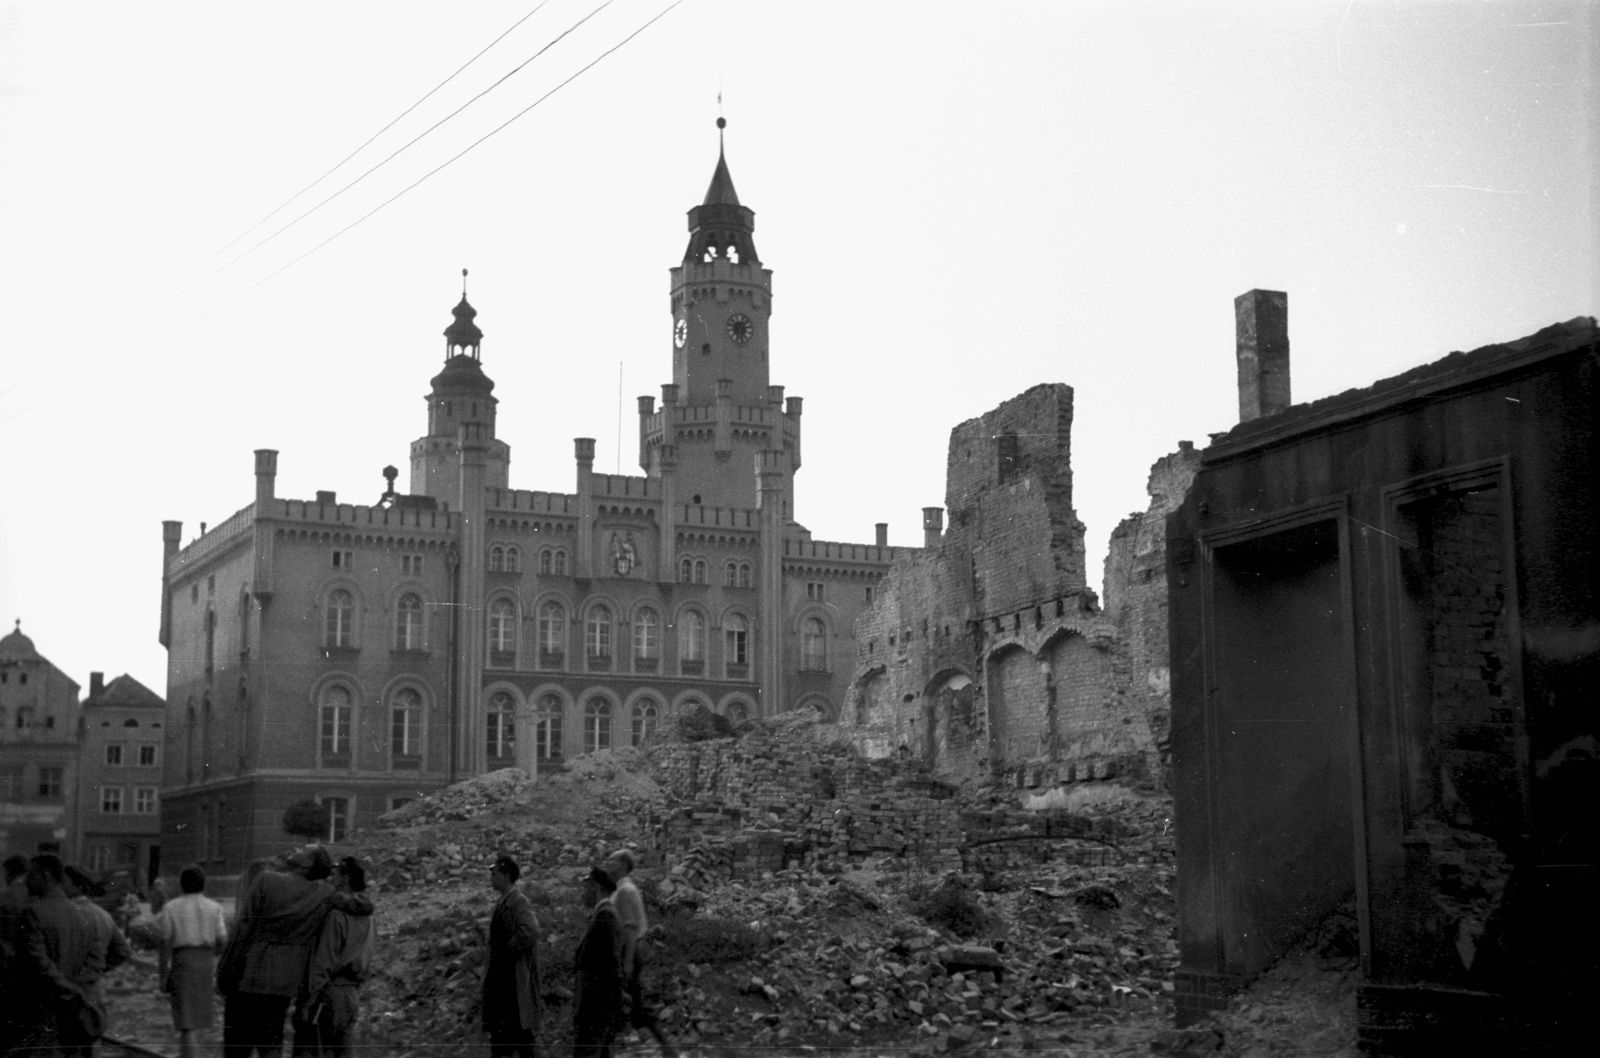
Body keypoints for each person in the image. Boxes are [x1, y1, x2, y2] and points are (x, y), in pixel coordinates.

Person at [217, 845, 373, 1058]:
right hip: (283, 984)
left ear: (307, 863)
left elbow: (242, 930)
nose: (295, 849)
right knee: (271, 1044)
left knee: (237, 1046)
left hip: (248, 976)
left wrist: (224, 973)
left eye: (303, 849)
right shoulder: (323, 893)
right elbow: (361, 905)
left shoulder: (265, 880)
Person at [13, 854, 97, 1057]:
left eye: (31, 875)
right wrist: (78, 989)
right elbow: (96, 961)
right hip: (73, 1013)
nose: (26, 881)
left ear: (46, 875)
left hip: (40, 1011)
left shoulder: (33, 912)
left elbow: (38, 963)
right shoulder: (84, 914)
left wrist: (67, 987)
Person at [295, 857, 374, 1058]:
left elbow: (323, 962)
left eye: (334, 875)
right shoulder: (368, 917)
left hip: (328, 996)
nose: (330, 879)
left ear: (344, 879)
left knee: (317, 1050)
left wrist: (308, 1002)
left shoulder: (335, 916)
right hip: (352, 996)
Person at [603, 849, 676, 1057]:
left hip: (628, 952)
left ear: (623, 865)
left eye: (612, 859)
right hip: (626, 952)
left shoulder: (625, 890)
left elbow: (631, 928)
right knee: (625, 1004)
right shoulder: (620, 888)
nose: (607, 862)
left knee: (631, 1004)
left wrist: (626, 962)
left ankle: (667, 1047)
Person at [154, 864, 229, 1058]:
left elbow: (165, 943)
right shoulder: (214, 907)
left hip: (183, 961)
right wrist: (210, 954)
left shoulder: (171, 907)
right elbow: (223, 941)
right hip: (206, 962)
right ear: (204, 884)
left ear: (182, 885)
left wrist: (163, 976)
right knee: (198, 1018)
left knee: (186, 1022)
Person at [62, 864, 134, 1038]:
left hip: (67, 990)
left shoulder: (64, 913)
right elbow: (123, 951)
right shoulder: (102, 914)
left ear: (78, 886)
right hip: (92, 990)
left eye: (63, 882)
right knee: (90, 1036)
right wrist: (98, 968)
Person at [482, 854, 541, 1058]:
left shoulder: (517, 900)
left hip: (513, 981)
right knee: (506, 1036)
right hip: (503, 981)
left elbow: (530, 931)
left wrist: (508, 950)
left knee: (518, 1034)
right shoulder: (504, 901)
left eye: (495, 874)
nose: (491, 878)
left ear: (506, 876)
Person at [572, 865, 626, 1058]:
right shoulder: (603, 913)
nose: (582, 892)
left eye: (585, 886)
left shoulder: (605, 915)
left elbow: (611, 965)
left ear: (595, 887)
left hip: (595, 1008)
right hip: (597, 1007)